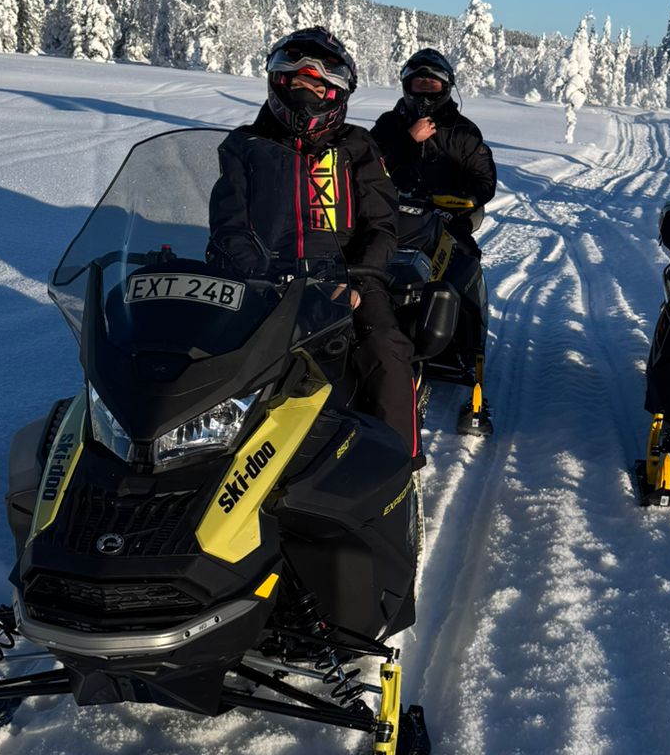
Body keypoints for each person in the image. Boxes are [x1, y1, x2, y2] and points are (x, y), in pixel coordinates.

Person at [207, 27, 419, 460]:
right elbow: (228, 224)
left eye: (318, 85)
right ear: (279, 83)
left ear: (336, 93)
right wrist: (252, 271)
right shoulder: (244, 145)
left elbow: (381, 223)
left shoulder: (356, 146)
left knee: (385, 350)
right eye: (299, 82)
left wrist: (361, 277)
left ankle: (398, 466)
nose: (308, 91)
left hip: (344, 278)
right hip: (263, 278)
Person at [370, 48, 498, 224]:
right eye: (419, 82)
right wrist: (408, 140)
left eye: (432, 83)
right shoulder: (389, 123)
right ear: (408, 85)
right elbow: (368, 167)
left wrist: (454, 200)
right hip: (389, 214)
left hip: (447, 217)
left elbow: (485, 180)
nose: (425, 89)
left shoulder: (464, 131)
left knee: (465, 250)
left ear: (445, 87)